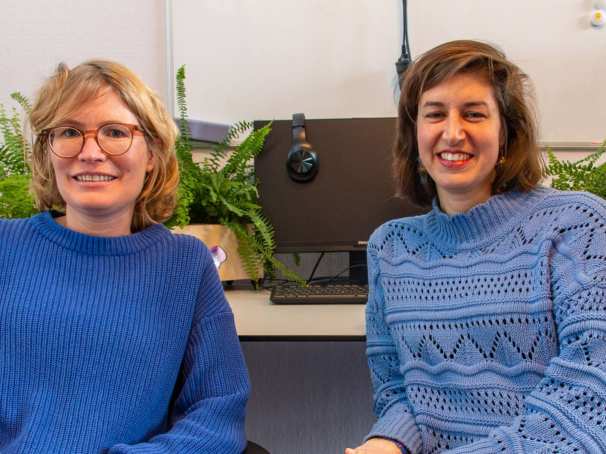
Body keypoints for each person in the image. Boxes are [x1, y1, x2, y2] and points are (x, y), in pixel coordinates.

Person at [346, 40, 606, 453]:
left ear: (507, 133)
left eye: (474, 114)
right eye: (434, 114)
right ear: (414, 136)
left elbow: (591, 399)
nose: (452, 132)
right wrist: (386, 442)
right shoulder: (390, 249)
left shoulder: (577, 225)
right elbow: (399, 393)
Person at [0, 60, 250, 453]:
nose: (91, 153)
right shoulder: (5, 247)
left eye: (115, 133)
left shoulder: (185, 265)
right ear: (47, 152)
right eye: (69, 132)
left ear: (151, 153)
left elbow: (218, 412)